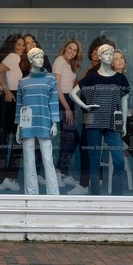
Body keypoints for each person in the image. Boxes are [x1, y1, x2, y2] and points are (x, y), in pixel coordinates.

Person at [69, 44, 130, 196]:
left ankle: (117, 196)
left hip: (112, 123)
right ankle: (95, 196)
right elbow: (72, 93)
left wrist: (123, 122)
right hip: (94, 123)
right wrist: (85, 106)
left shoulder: (120, 78)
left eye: (111, 54)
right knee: (94, 163)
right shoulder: (91, 78)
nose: (110, 57)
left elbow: (124, 101)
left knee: (119, 161)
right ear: (100, 57)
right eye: (107, 54)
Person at [16, 48, 60, 195]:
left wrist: (55, 122)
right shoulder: (22, 82)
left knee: (48, 160)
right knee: (29, 161)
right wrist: (18, 127)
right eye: (36, 56)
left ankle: (53, 195)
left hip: (45, 122)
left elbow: (53, 102)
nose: (40, 59)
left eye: (42, 56)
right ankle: (31, 195)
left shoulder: (51, 79)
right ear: (30, 60)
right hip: (27, 124)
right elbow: (20, 106)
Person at [0, 34, 26, 192]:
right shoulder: (13, 57)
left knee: (5, 139)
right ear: (12, 46)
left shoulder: (7, 58)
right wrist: (5, 90)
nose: (22, 47)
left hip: (7, 99)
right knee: (17, 139)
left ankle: (3, 179)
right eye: (19, 44)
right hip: (11, 98)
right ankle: (8, 178)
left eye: (23, 45)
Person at [51, 38, 83, 189]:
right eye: (70, 48)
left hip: (68, 101)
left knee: (71, 139)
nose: (72, 51)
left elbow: (71, 85)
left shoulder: (69, 65)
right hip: (62, 102)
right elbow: (56, 88)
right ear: (65, 48)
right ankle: (59, 171)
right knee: (70, 138)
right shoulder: (59, 61)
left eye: (75, 50)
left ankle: (62, 171)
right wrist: (67, 108)